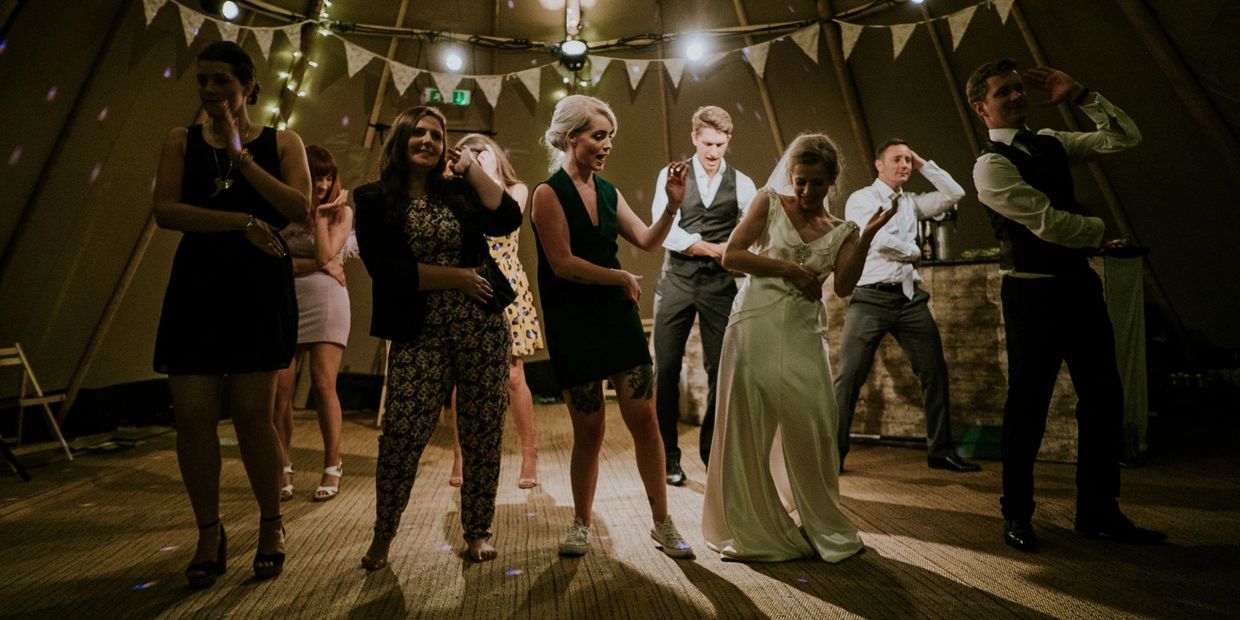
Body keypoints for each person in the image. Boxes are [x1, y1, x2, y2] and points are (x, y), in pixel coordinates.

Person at [966, 59, 1166, 551]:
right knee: (1028, 406)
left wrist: (1081, 95)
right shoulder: (990, 165)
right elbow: (1051, 225)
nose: (1015, 96)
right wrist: (1096, 230)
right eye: (1003, 92)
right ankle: (1016, 514)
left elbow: (1125, 138)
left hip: (1078, 286)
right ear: (981, 108)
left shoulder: (1052, 140)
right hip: (1031, 294)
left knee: (1103, 397)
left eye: (1018, 88)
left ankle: (1098, 510)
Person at [152, 41, 311, 587]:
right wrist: (239, 221)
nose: (210, 92)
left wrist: (242, 156)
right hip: (198, 285)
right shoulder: (181, 140)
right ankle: (207, 532)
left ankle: (271, 523)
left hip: (258, 286)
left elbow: (298, 207)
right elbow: (166, 211)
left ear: (249, 89)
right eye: (202, 82)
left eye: (221, 81)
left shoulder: (283, 142)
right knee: (193, 416)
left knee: (251, 415)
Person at [701, 133, 893, 562]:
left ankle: (816, 520)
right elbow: (732, 255)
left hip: (806, 334)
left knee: (815, 426)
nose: (806, 192)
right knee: (749, 427)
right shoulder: (769, 203)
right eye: (801, 181)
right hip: (754, 325)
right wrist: (787, 268)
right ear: (791, 175)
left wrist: (865, 240)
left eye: (816, 184)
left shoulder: (843, 229)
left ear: (832, 183)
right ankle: (753, 527)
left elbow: (843, 286)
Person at [354, 106, 521, 567]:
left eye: (436, 135)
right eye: (419, 133)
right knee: (403, 433)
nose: (427, 141)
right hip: (418, 331)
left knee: (483, 431)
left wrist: (469, 167)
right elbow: (386, 271)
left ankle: (478, 532)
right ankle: (383, 533)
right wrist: (457, 277)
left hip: (480, 327)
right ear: (401, 139)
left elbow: (508, 218)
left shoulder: (458, 192)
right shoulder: (370, 198)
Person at [530, 95, 694, 559]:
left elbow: (644, 240)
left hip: (616, 318)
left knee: (645, 423)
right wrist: (619, 276)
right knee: (590, 432)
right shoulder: (548, 193)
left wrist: (671, 208)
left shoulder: (608, 190)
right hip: (574, 321)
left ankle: (662, 522)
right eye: (599, 136)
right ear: (570, 137)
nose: (607, 145)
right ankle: (581, 523)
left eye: (610, 137)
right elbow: (562, 264)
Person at [833, 139, 980, 473]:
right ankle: (833, 454)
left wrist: (923, 163)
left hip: (909, 298)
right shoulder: (862, 199)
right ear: (878, 165)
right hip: (871, 297)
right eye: (896, 159)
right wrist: (915, 251)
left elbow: (955, 194)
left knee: (934, 372)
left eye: (906, 160)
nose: (903, 165)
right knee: (849, 376)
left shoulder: (910, 203)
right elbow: (879, 241)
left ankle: (940, 451)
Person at [651, 106, 757, 486]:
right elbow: (668, 232)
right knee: (665, 368)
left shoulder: (742, 183)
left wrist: (740, 249)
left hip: (718, 286)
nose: (714, 152)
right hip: (676, 280)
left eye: (721, 144)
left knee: (723, 369)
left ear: (728, 141)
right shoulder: (672, 174)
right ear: (694, 137)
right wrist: (717, 249)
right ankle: (668, 458)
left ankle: (713, 452)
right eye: (708, 143)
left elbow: (753, 230)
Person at [442, 133, 545, 490]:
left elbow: (507, 215)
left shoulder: (516, 189)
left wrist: (483, 171)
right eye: (470, 157)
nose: (477, 160)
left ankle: (529, 454)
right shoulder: (460, 194)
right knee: (462, 377)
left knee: (515, 375)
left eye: (483, 154)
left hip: (508, 286)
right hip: (471, 280)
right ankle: (460, 454)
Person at [272, 145, 353, 502]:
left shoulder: (341, 213)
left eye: (328, 177)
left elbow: (326, 255)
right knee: (280, 391)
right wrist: (317, 264)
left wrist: (320, 217)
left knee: (323, 385)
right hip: (284, 300)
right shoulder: (280, 210)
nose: (322, 184)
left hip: (327, 301)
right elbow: (276, 263)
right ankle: (282, 465)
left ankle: (332, 465)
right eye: (316, 176)